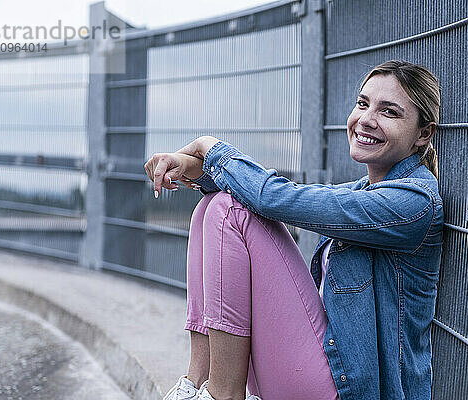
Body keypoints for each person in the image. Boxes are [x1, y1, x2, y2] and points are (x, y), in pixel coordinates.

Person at [144, 60, 444, 400]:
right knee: (210, 208)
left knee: (230, 212)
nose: (366, 119)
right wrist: (200, 172)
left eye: (389, 112)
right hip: (320, 374)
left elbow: (278, 199)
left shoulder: (412, 203)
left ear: (424, 133)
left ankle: (222, 394)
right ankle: (195, 384)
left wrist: (209, 148)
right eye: (363, 104)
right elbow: (276, 196)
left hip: (352, 391)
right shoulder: (363, 190)